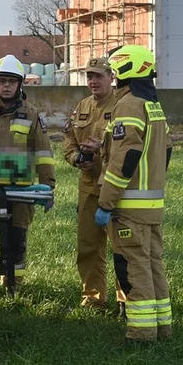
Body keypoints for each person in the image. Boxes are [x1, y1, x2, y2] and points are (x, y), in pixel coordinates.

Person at [94, 44, 172, 343]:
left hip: (129, 207)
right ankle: (162, 327)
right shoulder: (153, 105)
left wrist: (106, 201)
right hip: (151, 205)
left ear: (128, 69)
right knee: (152, 265)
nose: (112, 78)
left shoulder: (128, 105)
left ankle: (140, 333)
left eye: (114, 71)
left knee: (134, 268)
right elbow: (166, 150)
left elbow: (124, 158)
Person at [0, 55, 56, 295]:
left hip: (20, 187)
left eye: (12, 81)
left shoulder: (31, 114)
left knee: (16, 237)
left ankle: (13, 285)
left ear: (20, 84)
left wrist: (47, 186)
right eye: (2, 81)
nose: (7, 86)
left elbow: (43, 152)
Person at [61, 56, 120, 311]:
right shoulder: (82, 106)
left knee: (122, 246)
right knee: (87, 245)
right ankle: (93, 299)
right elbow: (68, 139)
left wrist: (103, 147)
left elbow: (129, 146)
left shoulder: (123, 105)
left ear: (112, 77)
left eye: (99, 76)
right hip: (87, 183)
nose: (93, 81)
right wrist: (76, 158)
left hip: (114, 184)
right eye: (90, 76)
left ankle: (127, 300)